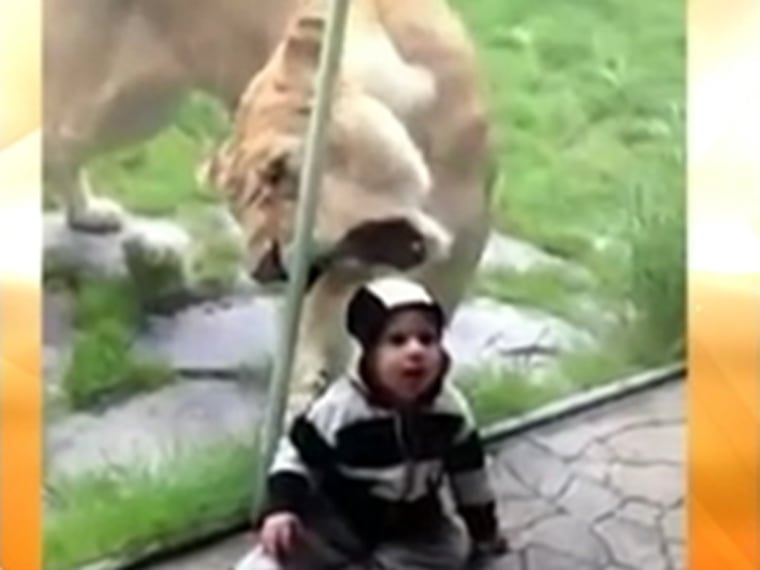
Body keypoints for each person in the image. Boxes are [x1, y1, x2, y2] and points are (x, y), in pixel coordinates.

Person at [235, 276, 509, 570]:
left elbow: (470, 477)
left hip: (413, 523)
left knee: (450, 550)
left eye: (427, 339)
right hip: (338, 517)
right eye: (397, 340)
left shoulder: (449, 411)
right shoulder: (339, 408)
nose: (415, 351)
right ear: (368, 352)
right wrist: (282, 509)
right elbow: (296, 457)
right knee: (266, 562)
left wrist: (484, 530)